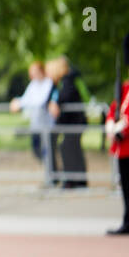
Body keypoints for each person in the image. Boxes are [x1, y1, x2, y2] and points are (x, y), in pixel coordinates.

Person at [106, 32, 129, 235]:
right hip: (124, 147)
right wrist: (111, 122)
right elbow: (114, 107)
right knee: (128, 187)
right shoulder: (126, 87)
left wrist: (122, 125)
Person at [47, 55, 88, 188]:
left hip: (75, 122)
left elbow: (65, 95)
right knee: (71, 148)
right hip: (71, 122)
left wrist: (56, 102)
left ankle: (73, 180)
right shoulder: (60, 82)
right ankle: (78, 180)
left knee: (68, 147)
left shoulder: (68, 80)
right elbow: (51, 97)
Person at [9, 60, 53, 161]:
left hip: (47, 125)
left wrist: (20, 104)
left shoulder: (48, 83)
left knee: (49, 155)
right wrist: (17, 101)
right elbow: (26, 98)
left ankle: (52, 175)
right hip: (36, 124)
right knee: (37, 151)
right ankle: (49, 173)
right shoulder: (33, 84)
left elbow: (40, 101)